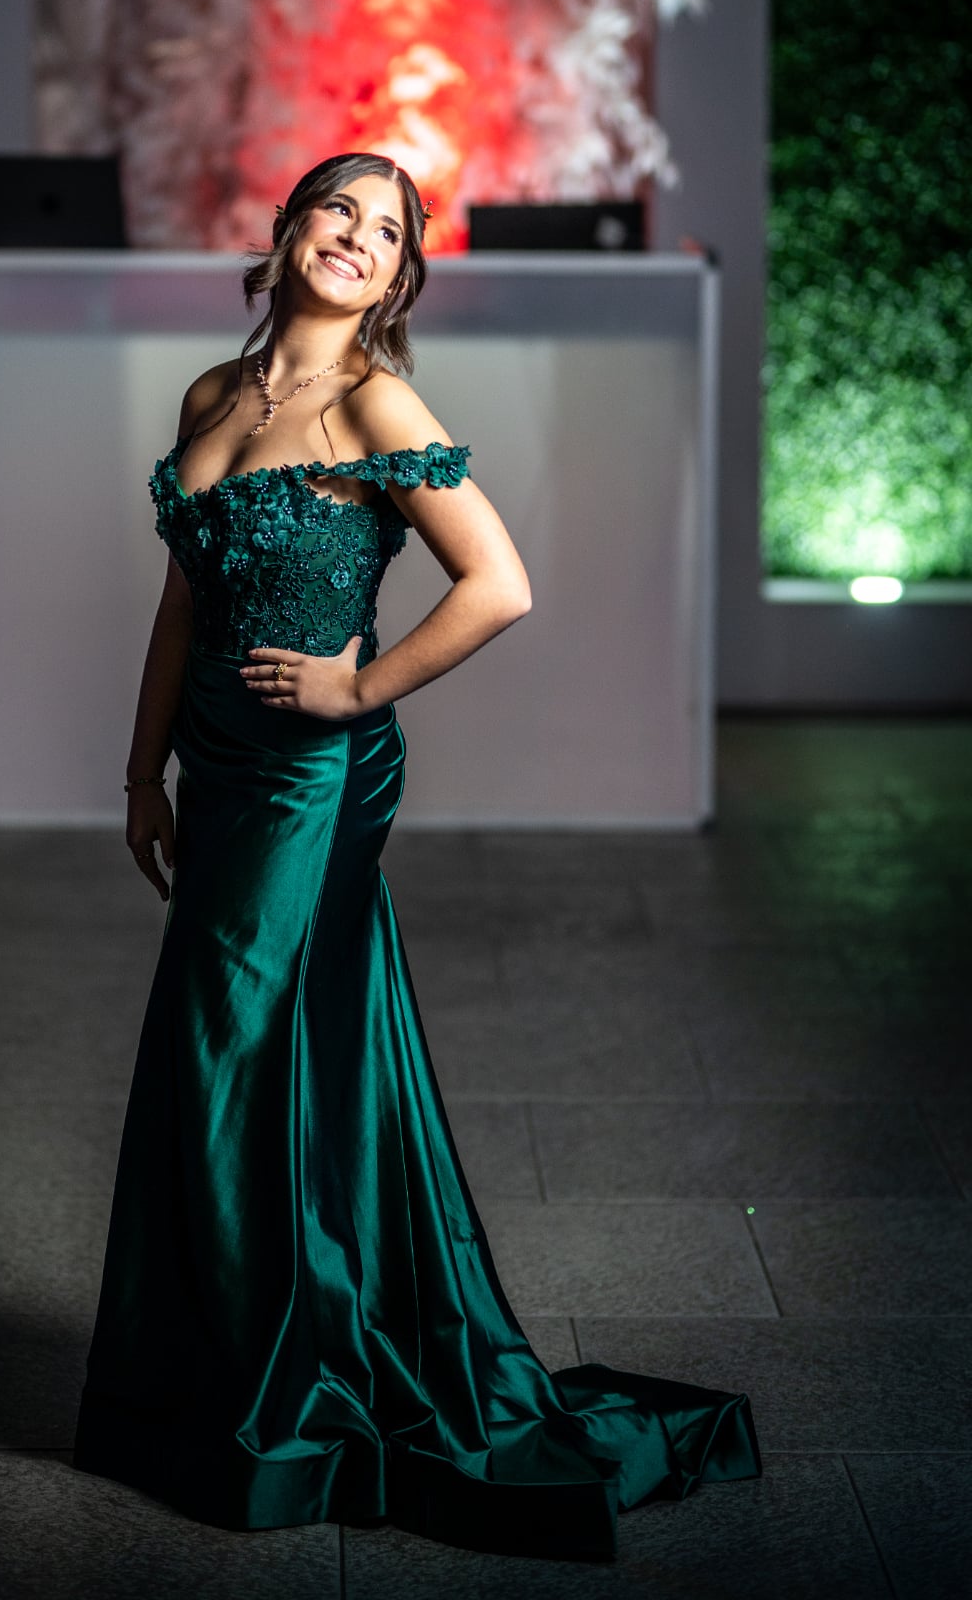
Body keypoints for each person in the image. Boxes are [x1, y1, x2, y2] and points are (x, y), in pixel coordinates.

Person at [72, 151, 760, 1561]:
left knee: (231, 1048)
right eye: (340, 207)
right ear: (290, 224)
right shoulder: (213, 394)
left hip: (315, 776)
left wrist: (356, 690)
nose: (355, 236)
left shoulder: (376, 403)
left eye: (386, 231)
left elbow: (499, 583)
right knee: (247, 1052)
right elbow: (180, 604)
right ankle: (229, 1360)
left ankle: (286, 1390)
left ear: (397, 276)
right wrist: (143, 772)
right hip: (218, 769)